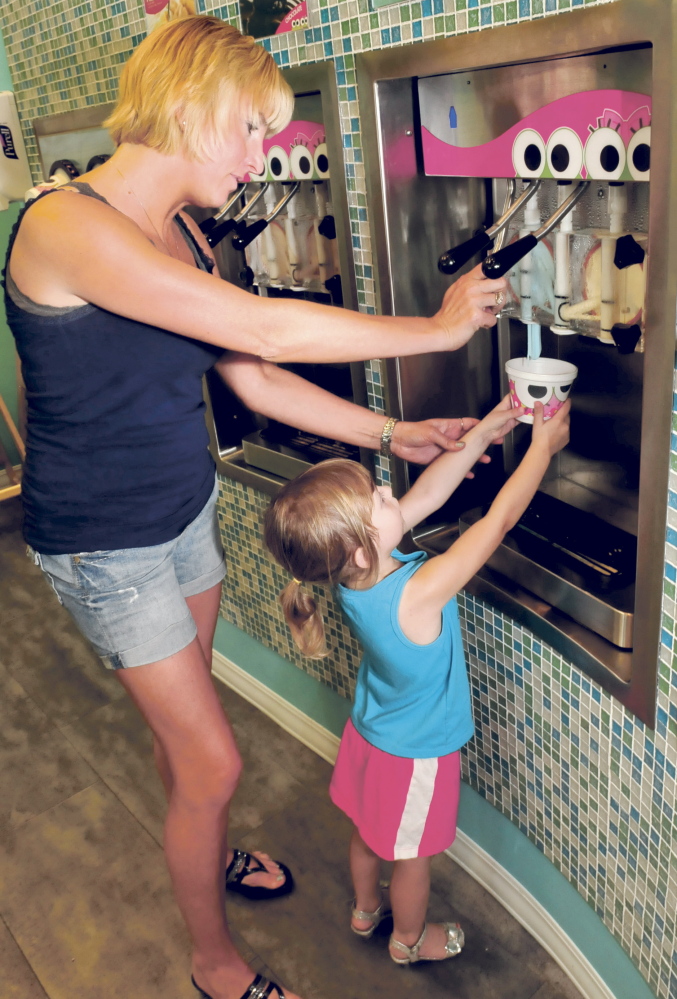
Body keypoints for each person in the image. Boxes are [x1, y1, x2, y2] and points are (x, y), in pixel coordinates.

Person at [3, 12, 508, 999]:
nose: (259, 156)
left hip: (178, 510)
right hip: (105, 545)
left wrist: (388, 438)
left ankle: (206, 837)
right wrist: (437, 332)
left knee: (188, 751)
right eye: (251, 130)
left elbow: (256, 373)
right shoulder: (65, 224)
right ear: (193, 110)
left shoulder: (182, 232)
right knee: (215, 761)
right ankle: (212, 960)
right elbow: (258, 318)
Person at [264, 396, 570, 966]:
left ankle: (364, 911)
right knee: (411, 857)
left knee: (366, 833)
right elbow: (497, 521)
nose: (388, 493)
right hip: (413, 758)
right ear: (361, 545)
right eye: (377, 496)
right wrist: (542, 452)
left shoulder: (353, 573)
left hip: (370, 735)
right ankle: (407, 941)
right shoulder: (417, 590)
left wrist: (489, 430)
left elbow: (427, 495)